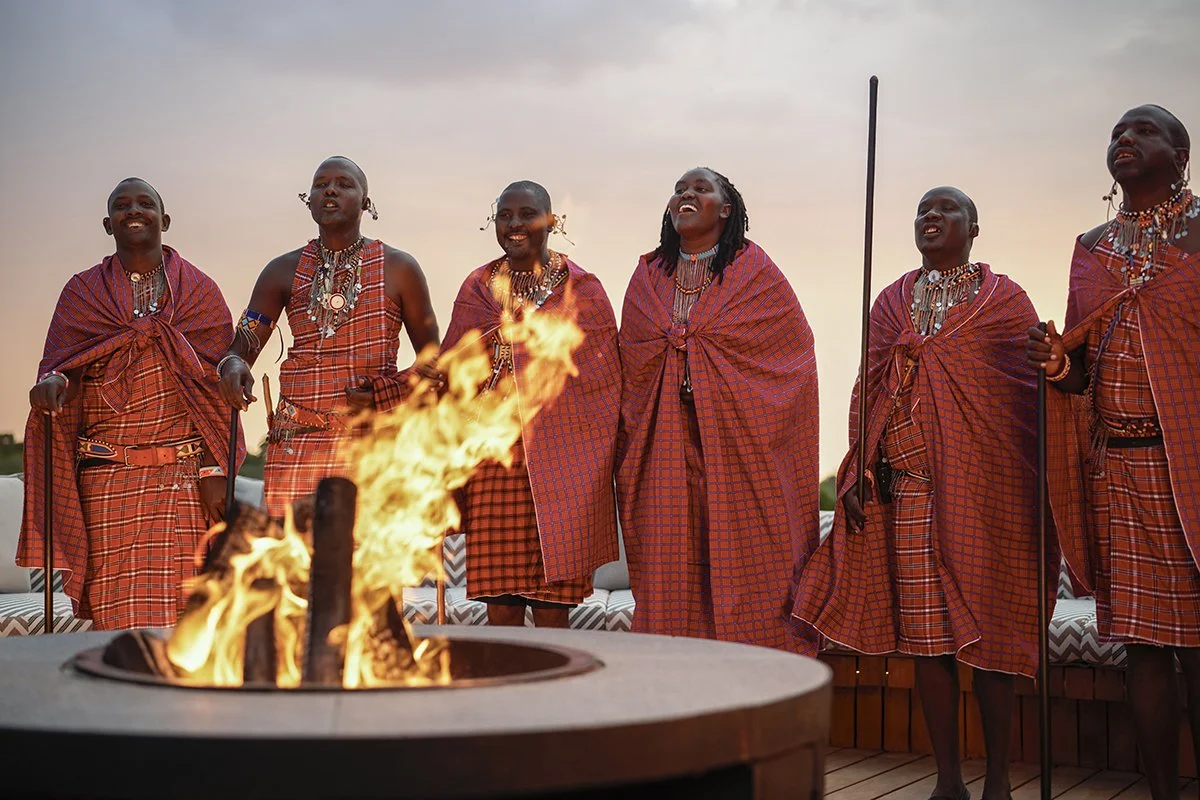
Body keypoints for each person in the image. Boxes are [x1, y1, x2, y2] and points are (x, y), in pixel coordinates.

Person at [795, 186, 1050, 800]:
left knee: (990, 637)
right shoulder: (891, 302)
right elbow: (869, 390)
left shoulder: (1003, 300)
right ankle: (947, 780)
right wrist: (857, 472)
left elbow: (1023, 403)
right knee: (926, 641)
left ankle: (996, 781)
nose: (931, 216)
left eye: (947, 209)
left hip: (988, 496)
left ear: (975, 227)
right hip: (908, 494)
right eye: (921, 211)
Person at [1028, 105, 1200, 800]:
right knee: (1146, 648)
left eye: (1145, 130)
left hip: (1189, 471)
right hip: (1119, 468)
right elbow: (1085, 366)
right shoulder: (1092, 246)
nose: (1125, 139)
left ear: (1181, 156)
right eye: (1116, 133)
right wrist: (1056, 365)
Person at [19, 177, 242, 630]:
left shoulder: (198, 291)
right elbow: (67, 371)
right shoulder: (83, 293)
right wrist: (52, 384)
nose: (133, 211)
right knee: (115, 622)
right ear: (107, 223)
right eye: (122, 206)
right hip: (106, 482)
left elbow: (211, 392)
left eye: (144, 203)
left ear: (166, 219)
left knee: (185, 622)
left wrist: (213, 470)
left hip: (180, 480)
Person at [615, 167, 819, 653]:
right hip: (663, 449)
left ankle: (754, 698)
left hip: (737, 448)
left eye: (701, 189)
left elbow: (791, 357)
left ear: (726, 210)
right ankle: (673, 698)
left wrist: (709, 366)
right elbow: (631, 360)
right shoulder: (648, 275)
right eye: (680, 189)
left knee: (750, 568)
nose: (687, 194)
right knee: (668, 570)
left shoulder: (755, 271)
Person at [218, 156, 440, 517]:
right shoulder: (281, 271)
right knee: (294, 563)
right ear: (309, 200)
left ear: (366, 203)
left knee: (369, 566)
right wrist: (232, 367)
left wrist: (383, 395)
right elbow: (241, 348)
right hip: (295, 446)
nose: (331, 190)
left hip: (372, 443)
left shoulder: (400, 268)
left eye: (344, 183)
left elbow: (435, 365)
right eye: (321, 185)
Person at [441, 181, 620, 627]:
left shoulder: (584, 290)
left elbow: (606, 383)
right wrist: (389, 392)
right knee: (499, 605)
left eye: (527, 214)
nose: (515, 224)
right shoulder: (479, 286)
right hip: (493, 460)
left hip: (564, 468)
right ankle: (504, 694)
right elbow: (449, 366)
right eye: (505, 215)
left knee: (553, 612)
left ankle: (553, 696)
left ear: (551, 222)